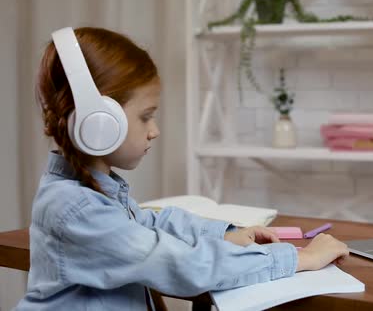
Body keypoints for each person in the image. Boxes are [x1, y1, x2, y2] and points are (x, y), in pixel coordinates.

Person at [16, 27, 349, 310]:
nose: (154, 130)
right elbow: (181, 265)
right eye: (146, 116)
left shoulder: (95, 190)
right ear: (100, 123)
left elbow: (151, 223)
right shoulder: (77, 210)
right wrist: (300, 260)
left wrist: (226, 234)